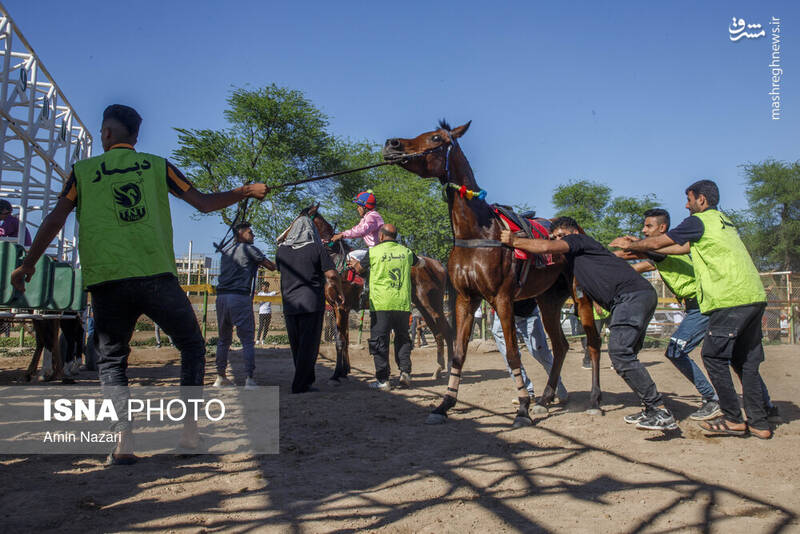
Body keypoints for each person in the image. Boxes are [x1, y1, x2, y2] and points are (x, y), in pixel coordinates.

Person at [11, 104, 269, 464]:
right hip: (156, 277)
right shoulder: (157, 166)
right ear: (135, 136)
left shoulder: (81, 173)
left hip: (107, 281)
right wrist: (245, 190)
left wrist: (27, 265)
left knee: (112, 360)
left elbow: (56, 219)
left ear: (106, 133)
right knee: (193, 346)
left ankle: (124, 442)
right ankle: (190, 433)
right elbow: (204, 203)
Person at [612, 180, 773, 439]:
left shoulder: (699, 221)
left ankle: (730, 416)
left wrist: (630, 244)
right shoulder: (723, 221)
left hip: (728, 298)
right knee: (744, 362)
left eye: (689, 200)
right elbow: (677, 248)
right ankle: (760, 423)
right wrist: (636, 247)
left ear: (701, 200)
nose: (686, 206)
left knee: (714, 357)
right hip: (752, 295)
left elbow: (655, 246)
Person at [501, 217, 677, 431]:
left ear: (574, 233)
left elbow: (546, 246)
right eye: (554, 236)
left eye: (561, 236)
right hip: (632, 299)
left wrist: (514, 241)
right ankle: (651, 408)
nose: (557, 240)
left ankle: (658, 408)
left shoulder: (579, 242)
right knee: (626, 354)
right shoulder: (581, 256)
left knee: (620, 353)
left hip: (631, 297)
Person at [613, 208, 722, 421]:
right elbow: (637, 264)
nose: (644, 230)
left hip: (701, 305)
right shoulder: (665, 252)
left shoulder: (661, 250)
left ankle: (712, 399)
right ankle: (764, 405)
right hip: (696, 306)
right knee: (730, 355)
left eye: (649, 226)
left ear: (662, 228)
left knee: (676, 351)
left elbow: (631, 254)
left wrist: (597, 255)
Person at [276, 216, 342, 393]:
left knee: (296, 345)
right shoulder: (316, 248)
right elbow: (332, 275)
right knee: (309, 345)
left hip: (289, 304)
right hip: (311, 303)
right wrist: (340, 291)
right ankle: (301, 384)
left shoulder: (281, 251)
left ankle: (305, 379)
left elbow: (279, 270)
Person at [349, 223, 417, 391]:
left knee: (379, 341)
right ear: (396, 237)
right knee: (402, 338)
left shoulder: (373, 252)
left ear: (380, 236)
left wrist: (354, 263)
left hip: (381, 304)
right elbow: (419, 263)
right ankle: (405, 373)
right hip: (402, 304)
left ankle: (383, 380)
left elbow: (358, 269)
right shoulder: (406, 252)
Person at [214, 222, 276, 389]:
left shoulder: (226, 251)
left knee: (223, 339)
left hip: (221, 297)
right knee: (247, 340)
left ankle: (220, 377)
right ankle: (249, 378)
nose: (253, 235)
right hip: (239, 297)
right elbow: (271, 266)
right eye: (250, 232)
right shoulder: (250, 250)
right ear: (239, 234)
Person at [491, 297, 568, 405]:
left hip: (527, 313)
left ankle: (557, 385)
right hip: (501, 315)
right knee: (509, 356)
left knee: (540, 352)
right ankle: (526, 390)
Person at [331, 190, 384, 263]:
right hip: (374, 248)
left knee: (351, 256)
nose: (357, 209)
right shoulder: (367, 217)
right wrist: (341, 233)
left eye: (359, 206)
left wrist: (343, 235)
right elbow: (356, 229)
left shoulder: (372, 216)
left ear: (365, 207)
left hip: (377, 249)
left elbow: (362, 230)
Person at [580, 303, 610, 369]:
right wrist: (596, 305)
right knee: (593, 338)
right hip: (597, 314)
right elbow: (592, 293)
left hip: (608, 311)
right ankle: (586, 361)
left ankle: (616, 362)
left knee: (615, 335)